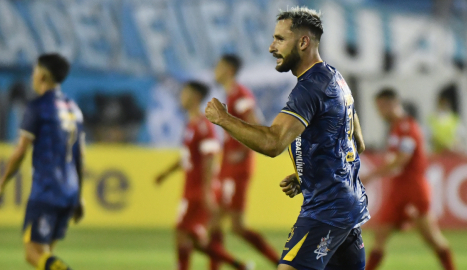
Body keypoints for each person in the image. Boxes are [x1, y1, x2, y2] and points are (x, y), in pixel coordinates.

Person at [205, 7, 370, 270]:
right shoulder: (336, 78)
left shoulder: (309, 88)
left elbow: (273, 142)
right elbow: (356, 142)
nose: (272, 47)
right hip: (347, 209)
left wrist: (223, 119)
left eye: (280, 39)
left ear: (303, 42)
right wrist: (309, 174)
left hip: (326, 212)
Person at [0, 53, 84, 270]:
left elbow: (21, 150)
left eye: (34, 70)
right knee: (46, 255)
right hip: (69, 191)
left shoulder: (38, 107)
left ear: (42, 75)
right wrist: (79, 197)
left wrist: (1, 185)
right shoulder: (73, 108)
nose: (32, 76)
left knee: (33, 253)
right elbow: (80, 154)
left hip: (47, 190)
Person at [155, 81, 251, 270]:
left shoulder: (203, 126)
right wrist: (165, 174)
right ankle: (239, 265)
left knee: (182, 234)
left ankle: (236, 265)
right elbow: (187, 158)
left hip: (199, 190)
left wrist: (207, 190)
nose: (181, 97)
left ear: (195, 97)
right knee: (194, 239)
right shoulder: (190, 124)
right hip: (191, 188)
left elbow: (210, 157)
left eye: (185, 93)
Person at [363, 89, 455, 270]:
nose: (379, 112)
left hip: (414, 188)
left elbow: (402, 160)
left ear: (392, 104)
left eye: (381, 107)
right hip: (398, 189)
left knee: (431, 237)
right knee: (380, 235)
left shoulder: (408, 127)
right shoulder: (396, 127)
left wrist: (371, 175)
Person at [209, 54, 280, 269]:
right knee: (214, 222)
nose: (215, 70)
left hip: (237, 168)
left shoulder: (240, 94)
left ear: (229, 69)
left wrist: (242, 150)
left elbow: (256, 124)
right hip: (227, 168)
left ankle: (282, 263)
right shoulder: (230, 95)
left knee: (235, 226)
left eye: (219, 66)